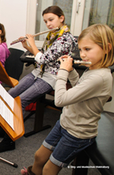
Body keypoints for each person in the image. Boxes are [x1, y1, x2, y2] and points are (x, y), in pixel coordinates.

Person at [21, 24, 114, 175]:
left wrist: (62, 71)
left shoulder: (100, 77)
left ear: (107, 48)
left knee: (49, 169)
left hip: (78, 132)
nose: (82, 55)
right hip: (65, 122)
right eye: (81, 49)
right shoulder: (93, 69)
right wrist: (71, 72)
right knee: (38, 157)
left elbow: (60, 100)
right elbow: (79, 88)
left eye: (88, 49)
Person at [0, 6, 78, 153]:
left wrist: (33, 44)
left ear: (61, 18)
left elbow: (43, 59)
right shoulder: (53, 35)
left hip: (51, 77)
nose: (48, 24)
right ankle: (4, 129)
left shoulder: (66, 39)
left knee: (21, 101)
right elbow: (42, 56)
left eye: (51, 20)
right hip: (39, 72)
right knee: (10, 95)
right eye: (45, 21)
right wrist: (28, 47)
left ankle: (10, 141)